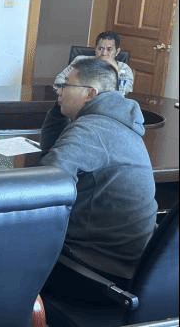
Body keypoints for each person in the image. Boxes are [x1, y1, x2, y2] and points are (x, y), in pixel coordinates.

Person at [40, 57, 157, 297]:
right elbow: (53, 155)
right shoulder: (120, 123)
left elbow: (46, 186)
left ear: (90, 93)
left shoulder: (91, 130)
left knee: (2, 249)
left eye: (65, 85)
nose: (58, 90)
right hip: (133, 268)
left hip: (97, 273)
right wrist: (60, 109)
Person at [55, 31, 134, 95]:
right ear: (95, 48)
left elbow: (123, 92)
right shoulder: (80, 61)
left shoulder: (124, 69)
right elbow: (59, 80)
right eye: (100, 48)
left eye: (109, 49)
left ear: (117, 51)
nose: (104, 53)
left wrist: (116, 71)